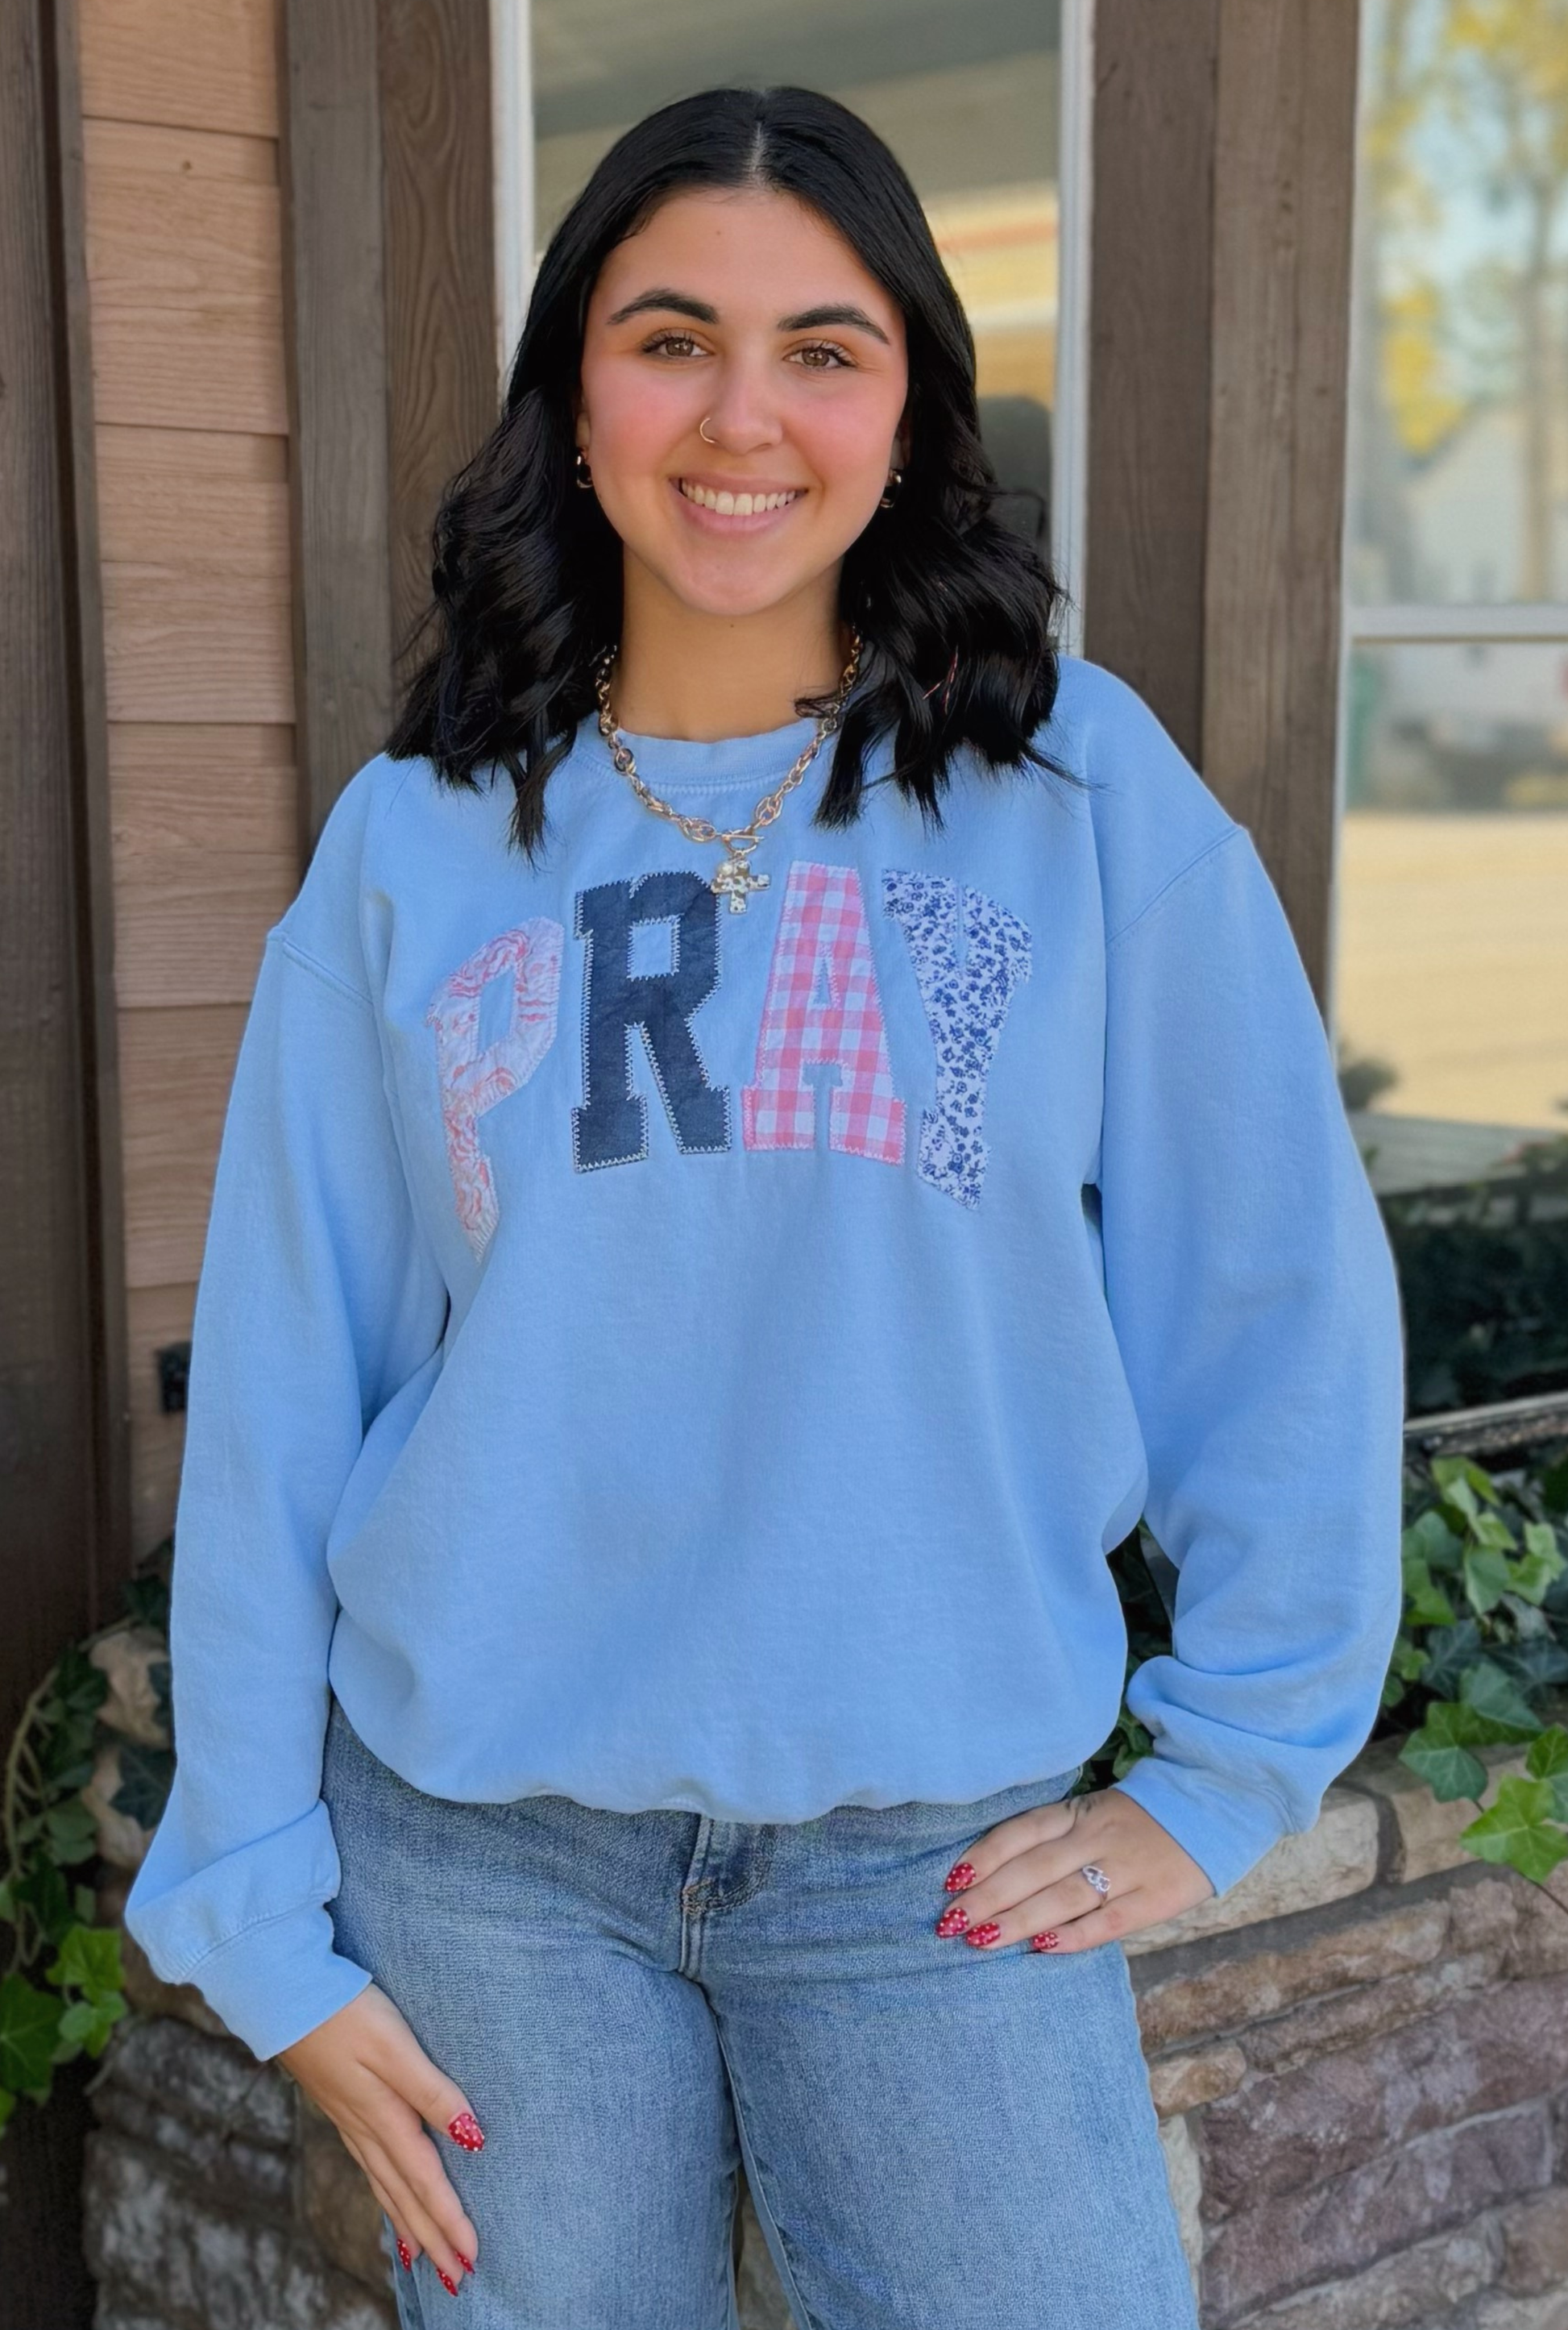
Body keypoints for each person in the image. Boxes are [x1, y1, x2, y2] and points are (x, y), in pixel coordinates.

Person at [123, 84, 1405, 2329]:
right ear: (574, 393)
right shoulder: (416, 847)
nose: (745, 417)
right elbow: (283, 1393)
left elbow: (1269, 1300)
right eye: (671, 336)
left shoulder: (1074, 794)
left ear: (910, 407)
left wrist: (1227, 1766)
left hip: (934, 1863)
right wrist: (252, 1910)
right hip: (488, 1858)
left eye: (825, 347)